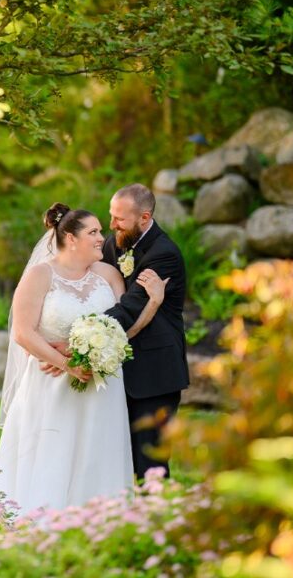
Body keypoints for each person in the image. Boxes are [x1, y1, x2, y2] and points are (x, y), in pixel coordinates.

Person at [0, 203, 167, 515]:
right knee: (53, 452)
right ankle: (43, 520)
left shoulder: (109, 275)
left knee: (98, 453)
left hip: (103, 388)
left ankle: (102, 522)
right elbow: (22, 332)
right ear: (71, 239)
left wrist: (153, 303)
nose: (103, 237)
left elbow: (123, 330)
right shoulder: (39, 275)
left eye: (101, 231)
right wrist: (66, 363)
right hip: (51, 384)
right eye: (94, 232)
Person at [101, 184, 190, 480]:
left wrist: (83, 333)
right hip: (119, 367)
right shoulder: (115, 242)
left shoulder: (164, 254)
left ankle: (156, 520)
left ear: (144, 216)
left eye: (119, 219)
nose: (111, 225)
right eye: (111, 216)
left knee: (149, 462)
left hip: (154, 372)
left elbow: (130, 308)